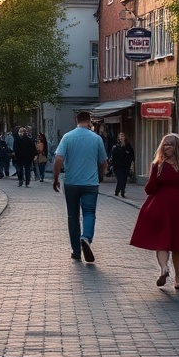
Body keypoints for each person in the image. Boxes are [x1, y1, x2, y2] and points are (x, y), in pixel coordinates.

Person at [129, 133, 179, 289]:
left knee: (177, 245)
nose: (166, 147)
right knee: (163, 242)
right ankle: (166, 271)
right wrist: (155, 174)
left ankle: (174, 275)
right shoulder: (160, 164)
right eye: (164, 144)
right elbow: (151, 188)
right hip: (167, 208)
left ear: (177, 146)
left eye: (169, 144)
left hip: (174, 208)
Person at [53, 110, 108, 262]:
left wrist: (56, 178)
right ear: (89, 121)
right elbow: (104, 162)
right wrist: (100, 175)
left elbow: (58, 159)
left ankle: (76, 251)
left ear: (75, 120)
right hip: (90, 183)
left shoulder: (68, 137)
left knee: (73, 216)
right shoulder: (96, 139)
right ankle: (86, 238)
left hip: (71, 183)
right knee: (89, 212)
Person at [110, 132, 136, 198]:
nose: (121, 138)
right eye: (120, 136)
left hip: (126, 165)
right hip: (117, 166)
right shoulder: (115, 146)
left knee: (124, 179)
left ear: (125, 138)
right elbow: (113, 156)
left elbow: (132, 155)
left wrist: (131, 162)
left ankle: (121, 191)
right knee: (120, 178)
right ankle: (118, 191)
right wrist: (112, 165)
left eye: (122, 136)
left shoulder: (128, 146)